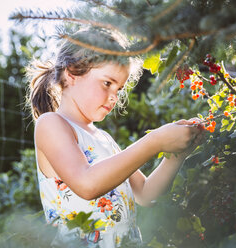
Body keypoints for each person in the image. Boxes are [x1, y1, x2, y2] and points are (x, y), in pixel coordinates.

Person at [26, 28, 204, 247]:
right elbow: (86, 184)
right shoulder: (51, 124)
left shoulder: (104, 139)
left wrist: (176, 156)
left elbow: (145, 194)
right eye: (107, 83)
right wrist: (155, 141)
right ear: (71, 73)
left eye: (119, 88)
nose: (114, 97)